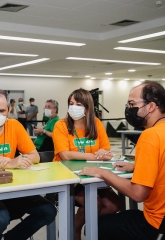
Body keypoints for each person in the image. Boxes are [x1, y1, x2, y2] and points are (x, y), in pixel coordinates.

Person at [79, 81, 165, 240]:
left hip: (158, 225)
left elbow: (138, 194)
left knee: (96, 227)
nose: (128, 109)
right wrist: (136, 167)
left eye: (132, 104)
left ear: (151, 106)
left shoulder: (150, 136)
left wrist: (104, 173)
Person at [0, 89, 57, 240]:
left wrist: (19, 160)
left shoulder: (15, 126)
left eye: (2, 110)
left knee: (48, 211)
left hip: (11, 188)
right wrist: (7, 164)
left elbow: (35, 156)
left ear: (9, 110)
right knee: (1, 218)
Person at [52, 88, 120, 240]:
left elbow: (106, 150)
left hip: (93, 176)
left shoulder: (95, 123)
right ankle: (75, 230)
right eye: (71, 103)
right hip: (68, 177)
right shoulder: (61, 125)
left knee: (114, 205)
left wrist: (103, 154)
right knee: (94, 203)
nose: (73, 107)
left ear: (87, 107)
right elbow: (65, 154)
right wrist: (96, 157)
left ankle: (81, 224)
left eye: (78, 104)